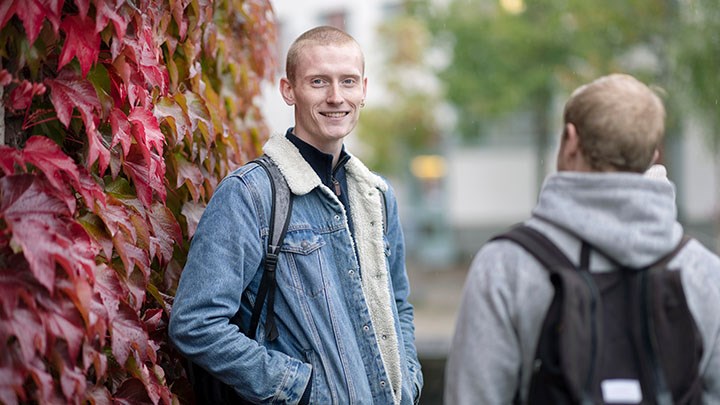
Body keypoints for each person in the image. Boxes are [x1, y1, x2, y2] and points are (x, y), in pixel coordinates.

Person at [169, 26, 423, 404]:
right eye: (318, 81)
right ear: (289, 90)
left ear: (364, 90)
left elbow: (399, 304)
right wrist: (299, 388)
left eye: (348, 81)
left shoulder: (378, 197)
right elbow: (195, 322)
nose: (336, 97)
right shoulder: (250, 194)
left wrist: (408, 381)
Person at [444, 73, 720, 404]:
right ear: (653, 156)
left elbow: (474, 395)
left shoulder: (507, 265)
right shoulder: (703, 272)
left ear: (571, 140)